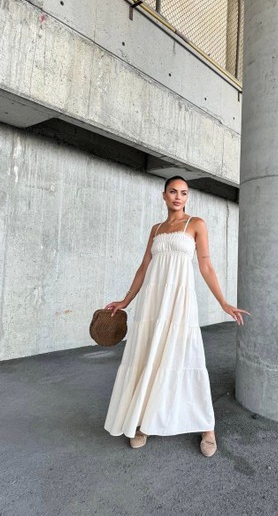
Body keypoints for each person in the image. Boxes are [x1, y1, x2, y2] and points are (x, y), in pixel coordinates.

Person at [103, 176, 250, 457]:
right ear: (164, 195)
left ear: (187, 197)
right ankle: (145, 420)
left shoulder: (196, 224)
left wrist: (223, 302)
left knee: (186, 357)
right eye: (173, 192)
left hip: (179, 300)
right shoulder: (156, 229)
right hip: (153, 301)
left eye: (183, 193)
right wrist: (126, 300)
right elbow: (144, 267)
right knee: (150, 355)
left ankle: (207, 427)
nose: (178, 197)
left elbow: (206, 266)